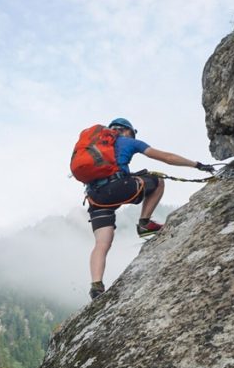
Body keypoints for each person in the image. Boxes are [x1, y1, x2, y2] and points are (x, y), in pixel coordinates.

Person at [86, 117, 213, 300]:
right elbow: (167, 158)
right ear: (128, 130)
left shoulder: (94, 146)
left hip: (95, 197)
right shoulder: (129, 141)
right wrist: (197, 165)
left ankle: (96, 286)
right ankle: (144, 223)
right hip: (118, 188)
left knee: (101, 243)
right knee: (157, 180)